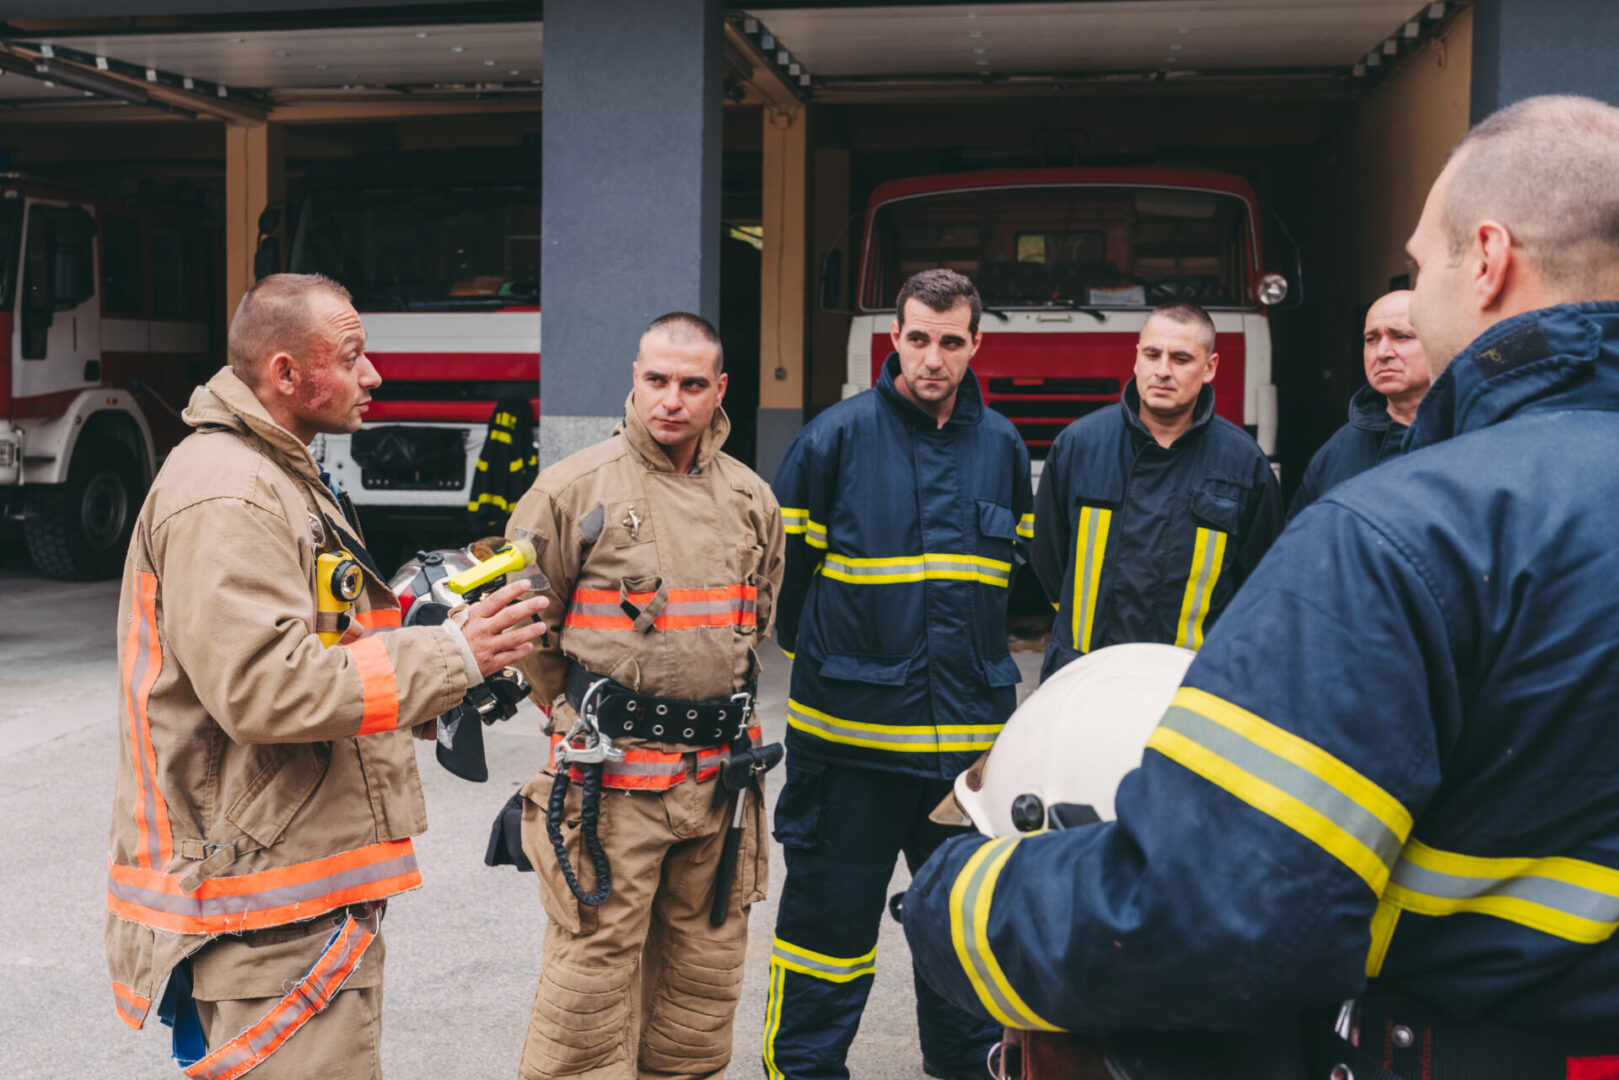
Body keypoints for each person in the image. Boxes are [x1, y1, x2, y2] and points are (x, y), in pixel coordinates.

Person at [899, 94, 1619, 1080]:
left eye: (1419, 265)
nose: (1414, 296)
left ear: (1486, 260)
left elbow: (1215, 914)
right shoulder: (1087, 451)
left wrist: (957, 901)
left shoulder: (1403, 534)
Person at [105, 273, 549, 1079]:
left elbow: (322, 649)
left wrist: (443, 670)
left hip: (289, 895)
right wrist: (450, 655)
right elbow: (263, 689)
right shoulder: (228, 492)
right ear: (284, 373)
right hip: (257, 907)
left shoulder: (278, 471)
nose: (373, 375)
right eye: (351, 357)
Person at [765, 268, 1031, 1080]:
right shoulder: (832, 440)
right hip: (849, 749)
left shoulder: (1003, 447)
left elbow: (1009, 588)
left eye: (951, 341)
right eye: (918, 338)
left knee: (960, 933)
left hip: (965, 757)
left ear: (976, 344)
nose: (933, 358)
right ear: (895, 338)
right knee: (824, 936)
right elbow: (787, 591)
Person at [505, 312, 784, 1080]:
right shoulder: (572, 489)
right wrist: (574, 713)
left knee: (700, 989)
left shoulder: (752, 499)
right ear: (633, 378)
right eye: (656, 380)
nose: (672, 400)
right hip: (610, 792)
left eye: (692, 385)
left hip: (717, 791)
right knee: (589, 990)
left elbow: (754, 621)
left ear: (718, 390)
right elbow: (524, 626)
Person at [1029, 302, 1280, 682]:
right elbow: (1049, 558)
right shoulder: (1079, 446)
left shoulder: (1244, 464)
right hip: (1082, 674)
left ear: (1209, 367)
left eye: (1181, 359)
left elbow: (1260, 582)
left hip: (1189, 683)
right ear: (1137, 358)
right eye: (1152, 355)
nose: (1162, 371)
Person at [1287, 289, 1431, 520]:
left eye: (1401, 336)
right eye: (1371, 339)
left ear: (1440, 343)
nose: (1382, 352)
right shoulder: (1336, 452)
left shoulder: (1472, 437)